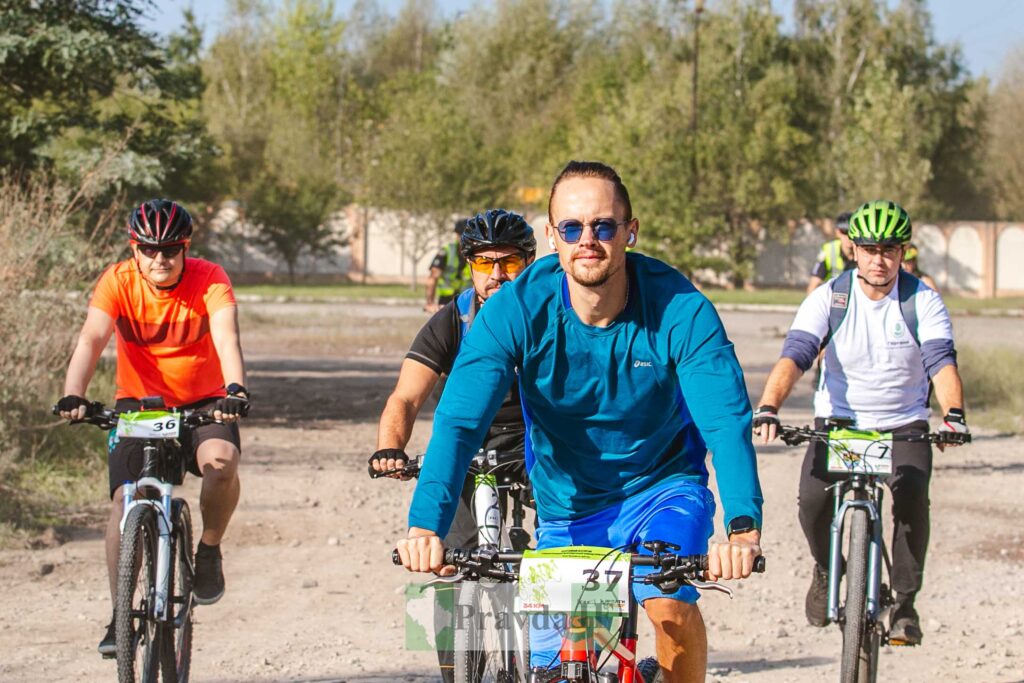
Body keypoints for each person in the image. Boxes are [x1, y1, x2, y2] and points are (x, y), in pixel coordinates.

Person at [395, 161, 763, 683]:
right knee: (556, 669)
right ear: (552, 237)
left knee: (666, 605)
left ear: (630, 231)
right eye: (571, 227)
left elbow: (725, 421)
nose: (587, 240)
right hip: (567, 505)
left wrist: (743, 527)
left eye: (603, 226)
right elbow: (457, 423)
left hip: (662, 487)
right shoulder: (516, 310)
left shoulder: (682, 308)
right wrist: (424, 526)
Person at [753, 200, 968, 647]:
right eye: (869, 248)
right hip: (840, 423)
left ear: (903, 252)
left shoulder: (921, 300)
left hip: (903, 423)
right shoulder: (830, 298)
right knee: (811, 502)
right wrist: (769, 406)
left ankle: (905, 606)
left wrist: (953, 416)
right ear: (853, 249)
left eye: (890, 249)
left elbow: (940, 362)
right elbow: (796, 354)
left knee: (912, 505)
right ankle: (827, 569)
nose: (879, 259)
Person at [56, 199, 249, 656]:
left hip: (206, 401)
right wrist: (73, 393)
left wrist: (235, 388)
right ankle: (120, 614)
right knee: (126, 499)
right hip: (139, 406)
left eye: (170, 249)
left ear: (185, 249)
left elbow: (227, 336)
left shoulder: (210, 278)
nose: (159, 259)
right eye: (149, 249)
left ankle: (209, 550)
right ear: (134, 248)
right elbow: (91, 338)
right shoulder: (118, 280)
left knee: (222, 464)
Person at [370, 208, 536, 682]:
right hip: (469, 447)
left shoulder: (549, 314)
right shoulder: (454, 319)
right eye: (485, 263)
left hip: (537, 443)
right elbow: (405, 395)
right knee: (446, 563)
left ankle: (579, 658)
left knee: (570, 553)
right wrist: (389, 448)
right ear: (470, 266)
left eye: (509, 263)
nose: (497, 275)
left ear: (529, 261)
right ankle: (455, 670)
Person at [424, 218, 471, 312]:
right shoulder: (446, 252)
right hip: (446, 301)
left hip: (468, 300)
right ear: (457, 235)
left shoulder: (476, 254)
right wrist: (430, 303)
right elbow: (432, 278)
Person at [806, 211, 855, 293]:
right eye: (844, 232)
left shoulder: (865, 251)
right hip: (834, 297)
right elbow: (814, 283)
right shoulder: (828, 250)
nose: (848, 237)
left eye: (852, 233)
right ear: (837, 233)